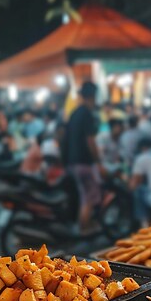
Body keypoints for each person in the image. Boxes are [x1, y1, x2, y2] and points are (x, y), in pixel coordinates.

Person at [63, 81, 101, 230]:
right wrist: (98, 162)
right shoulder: (86, 113)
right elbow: (90, 140)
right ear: (92, 96)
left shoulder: (74, 113)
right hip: (83, 163)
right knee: (89, 198)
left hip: (72, 162)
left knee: (84, 196)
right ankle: (85, 230)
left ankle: (85, 227)